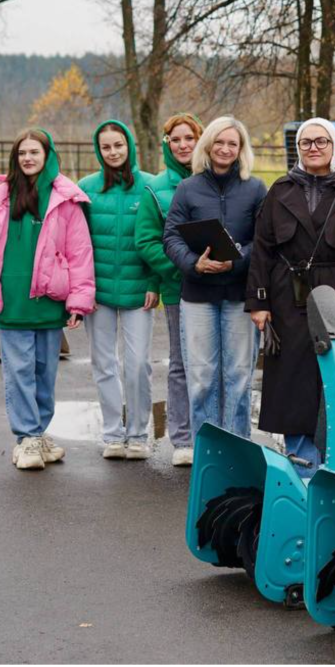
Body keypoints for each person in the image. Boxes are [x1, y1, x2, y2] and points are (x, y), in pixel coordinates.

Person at [246, 118, 335, 476]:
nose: (313, 148)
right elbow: (262, 248)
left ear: (334, 146)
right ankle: (301, 462)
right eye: (306, 142)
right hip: (287, 295)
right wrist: (259, 301)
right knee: (294, 379)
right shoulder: (280, 190)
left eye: (321, 141)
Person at [0, 129, 95, 470]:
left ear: (47, 155)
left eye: (34, 152)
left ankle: (38, 433)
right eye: (22, 152)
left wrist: (79, 302)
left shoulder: (65, 200)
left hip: (50, 300)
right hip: (10, 300)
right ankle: (26, 439)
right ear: (15, 157)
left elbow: (80, 252)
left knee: (43, 370)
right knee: (19, 370)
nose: (27, 158)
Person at [163, 116, 268, 440]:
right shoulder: (188, 188)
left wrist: (236, 261)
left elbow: (264, 241)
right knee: (203, 377)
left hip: (239, 296)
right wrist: (195, 263)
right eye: (219, 142)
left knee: (238, 376)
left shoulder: (254, 189)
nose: (225, 149)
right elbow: (171, 237)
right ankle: (206, 449)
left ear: (241, 149)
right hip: (198, 297)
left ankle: (238, 448)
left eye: (232, 143)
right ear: (208, 144)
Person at [79, 120, 159, 461]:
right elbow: (77, 243)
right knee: (104, 363)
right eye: (106, 147)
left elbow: (159, 237)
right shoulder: (86, 189)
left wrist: (155, 281)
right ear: (99, 150)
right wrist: (83, 290)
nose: (113, 152)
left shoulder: (150, 187)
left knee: (138, 363)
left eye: (119, 145)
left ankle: (138, 433)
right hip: (97, 294)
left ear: (129, 146)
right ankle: (113, 433)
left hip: (139, 292)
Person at [134, 113, 200, 466]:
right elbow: (146, 240)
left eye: (189, 137)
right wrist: (177, 268)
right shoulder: (156, 189)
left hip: (219, 287)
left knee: (213, 363)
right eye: (176, 139)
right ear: (166, 144)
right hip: (179, 287)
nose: (183, 145)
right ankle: (183, 438)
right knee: (181, 362)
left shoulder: (213, 179)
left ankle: (214, 431)